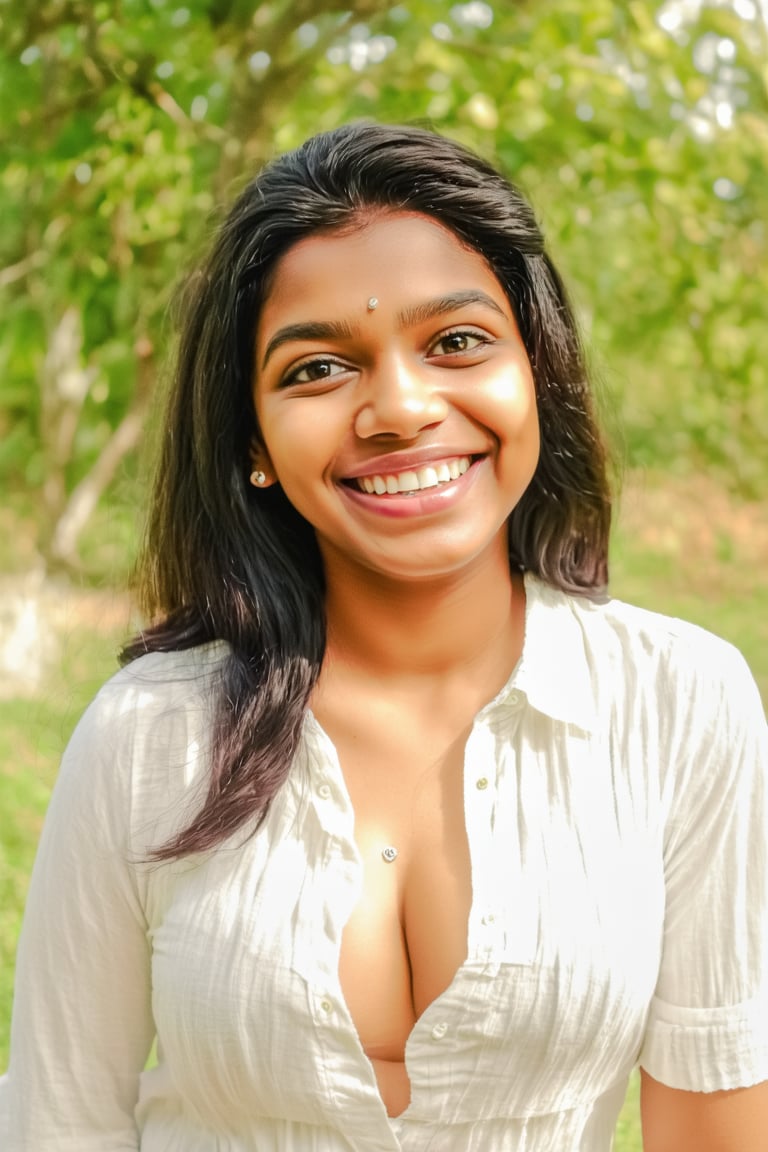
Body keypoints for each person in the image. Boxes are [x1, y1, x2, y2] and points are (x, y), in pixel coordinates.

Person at [1, 122, 767, 1152]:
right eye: (318, 369)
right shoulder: (147, 737)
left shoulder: (684, 703)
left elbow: (714, 1131)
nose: (400, 410)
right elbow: (62, 1121)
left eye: (456, 342)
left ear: (537, 372)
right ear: (254, 441)